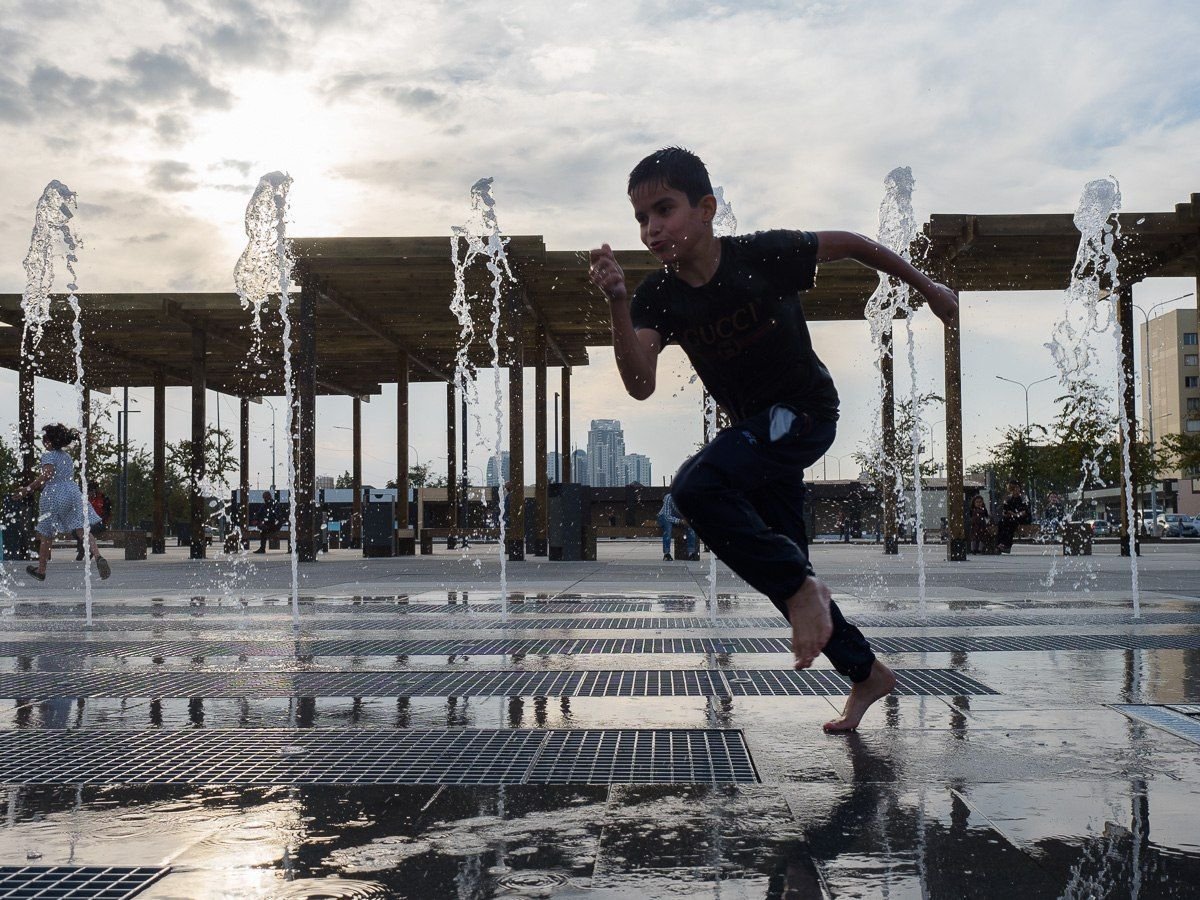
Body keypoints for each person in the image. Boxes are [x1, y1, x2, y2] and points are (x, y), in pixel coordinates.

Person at [589, 147, 958, 732]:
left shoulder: (766, 254)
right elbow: (639, 383)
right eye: (640, 218)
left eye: (664, 209)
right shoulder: (658, 296)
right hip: (758, 439)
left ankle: (803, 594)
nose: (652, 228)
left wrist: (928, 287)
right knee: (786, 570)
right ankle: (866, 673)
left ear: (707, 208)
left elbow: (858, 245)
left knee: (697, 488)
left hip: (803, 415)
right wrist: (616, 303)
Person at [14, 423, 111, 582]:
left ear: (49, 441)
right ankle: (98, 556)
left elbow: (47, 474)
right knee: (81, 529)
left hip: (54, 495)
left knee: (46, 534)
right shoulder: (67, 457)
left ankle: (41, 569)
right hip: (73, 492)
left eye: (44, 439)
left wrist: (28, 489)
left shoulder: (48, 455)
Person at [657, 491, 699, 560]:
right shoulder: (669, 497)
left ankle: (691, 553)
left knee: (691, 528)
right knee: (668, 528)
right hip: (663, 516)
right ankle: (666, 554)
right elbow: (667, 516)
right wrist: (680, 521)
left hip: (678, 517)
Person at [997, 480, 1030, 553]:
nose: (1016, 490)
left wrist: (1015, 514)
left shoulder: (1023, 498)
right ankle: (1000, 543)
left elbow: (1026, 511)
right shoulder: (1008, 498)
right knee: (1001, 523)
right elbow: (1005, 510)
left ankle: (1006, 545)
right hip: (1011, 517)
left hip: (1022, 518)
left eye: (1017, 488)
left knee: (1011, 523)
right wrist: (1008, 514)